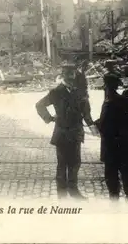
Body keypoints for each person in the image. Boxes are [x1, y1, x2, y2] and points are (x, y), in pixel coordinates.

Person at [35, 63, 97, 200]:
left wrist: (92, 126)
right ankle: (61, 195)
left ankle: (73, 191)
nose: (70, 77)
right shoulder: (56, 92)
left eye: (72, 74)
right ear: (63, 75)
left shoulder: (79, 92)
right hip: (62, 133)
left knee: (75, 163)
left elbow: (86, 112)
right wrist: (50, 118)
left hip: (75, 132)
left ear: (75, 75)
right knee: (62, 164)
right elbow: (39, 105)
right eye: (68, 74)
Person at [99, 73, 128, 202]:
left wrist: (97, 124)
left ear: (107, 87)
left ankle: (114, 201)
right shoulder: (124, 101)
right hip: (124, 145)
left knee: (111, 175)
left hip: (111, 146)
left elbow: (104, 126)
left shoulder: (108, 102)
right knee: (127, 173)